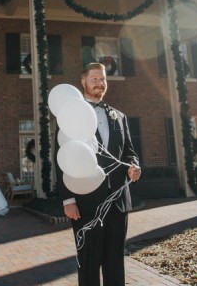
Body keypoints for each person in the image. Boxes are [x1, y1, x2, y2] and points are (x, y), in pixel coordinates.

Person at [55, 62, 141, 286]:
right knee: (89, 261)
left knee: (114, 261)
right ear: (83, 82)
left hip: (118, 201)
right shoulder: (69, 117)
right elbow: (62, 158)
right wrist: (68, 199)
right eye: (94, 79)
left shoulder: (119, 116)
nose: (99, 83)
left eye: (103, 79)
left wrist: (133, 166)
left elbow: (129, 151)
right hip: (86, 201)